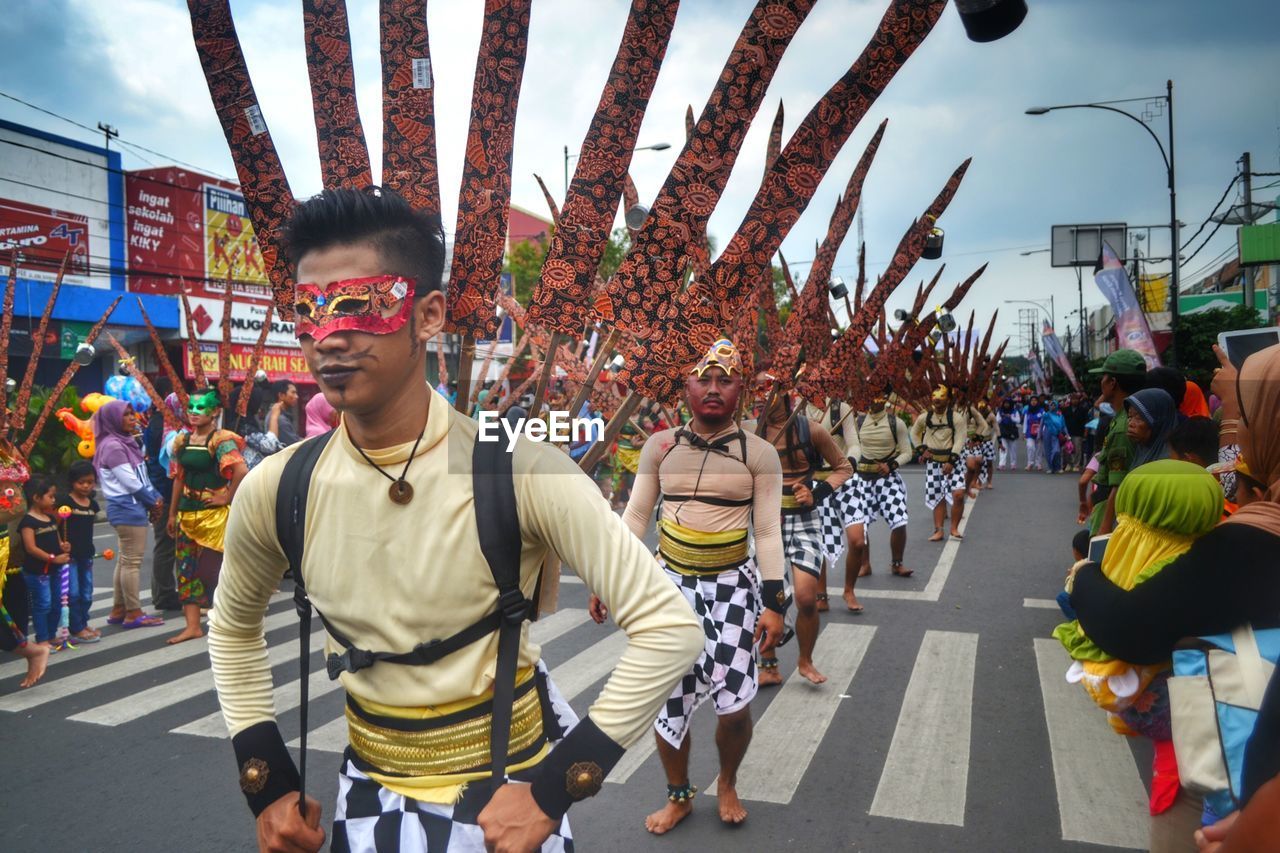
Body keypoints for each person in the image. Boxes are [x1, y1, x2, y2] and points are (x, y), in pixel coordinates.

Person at [209, 187, 702, 852]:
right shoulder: (278, 488)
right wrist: (264, 781)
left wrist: (554, 790)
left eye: (358, 305)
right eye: (308, 311)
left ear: (429, 314)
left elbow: (670, 626)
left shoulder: (523, 471)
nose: (329, 336)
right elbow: (232, 630)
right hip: (366, 801)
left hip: (508, 801)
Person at [1071, 343, 1280, 849]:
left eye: (1249, 416)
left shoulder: (1255, 543)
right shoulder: (1251, 510)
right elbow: (1234, 476)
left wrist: (1084, 574)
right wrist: (1235, 407)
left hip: (1237, 791)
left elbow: (1129, 626)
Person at [601, 337, 786, 833]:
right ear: (684, 385)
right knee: (669, 703)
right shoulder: (660, 446)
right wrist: (604, 574)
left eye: (724, 380)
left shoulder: (761, 454)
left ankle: (726, 780)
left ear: (740, 389)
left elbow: (768, 532)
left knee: (735, 709)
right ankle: (679, 794)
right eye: (702, 378)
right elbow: (636, 513)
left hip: (734, 589)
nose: (712, 389)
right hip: (669, 590)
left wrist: (775, 604)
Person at [755, 392, 852, 685]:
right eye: (757, 391)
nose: (761, 398)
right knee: (766, 598)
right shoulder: (749, 431)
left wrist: (817, 492)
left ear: (784, 395)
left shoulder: (812, 430)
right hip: (765, 521)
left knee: (807, 597)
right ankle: (768, 666)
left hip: (805, 520)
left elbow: (844, 468)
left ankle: (805, 660)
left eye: (768, 391)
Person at [166, 388, 248, 645]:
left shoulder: (221, 440)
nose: (193, 413)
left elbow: (241, 471)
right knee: (186, 571)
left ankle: (232, 621)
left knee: (215, 572)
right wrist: (172, 513)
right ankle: (193, 626)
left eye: (201, 408)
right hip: (186, 515)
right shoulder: (182, 441)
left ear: (215, 412)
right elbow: (178, 478)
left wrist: (226, 497)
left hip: (214, 516)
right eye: (191, 408)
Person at [92, 400, 165, 629]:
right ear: (113, 419)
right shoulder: (114, 446)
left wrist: (154, 496)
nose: (132, 418)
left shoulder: (124, 442)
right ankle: (134, 612)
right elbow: (131, 483)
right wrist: (153, 502)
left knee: (124, 560)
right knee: (132, 562)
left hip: (128, 507)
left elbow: (139, 477)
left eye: (133, 414)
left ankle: (118, 609)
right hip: (127, 507)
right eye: (126, 415)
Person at [843, 387, 915, 613]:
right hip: (861, 479)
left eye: (877, 398)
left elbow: (907, 452)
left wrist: (892, 465)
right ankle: (865, 564)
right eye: (869, 397)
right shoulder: (857, 421)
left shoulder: (897, 424)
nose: (872, 402)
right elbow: (848, 446)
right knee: (860, 526)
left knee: (899, 521)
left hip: (887, 478)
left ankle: (897, 563)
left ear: (885, 400)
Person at [0, 441, 48, 687]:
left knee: (11, 614)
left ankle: (31, 650)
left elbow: (15, 506)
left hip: (8, 550)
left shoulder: (6, 458)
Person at [1087, 349, 1148, 534]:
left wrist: (1104, 528)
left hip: (1112, 513)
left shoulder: (1123, 426)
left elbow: (1118, 482)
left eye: (1104, 377)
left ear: (1112, 383)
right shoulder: (1124, 416)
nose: (1101, 382)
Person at [911, 385, 969, 541]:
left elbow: (960, 440)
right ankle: (938, 530)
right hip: (934, 462)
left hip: (954, 461)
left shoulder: (956, 418)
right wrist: (921, 449)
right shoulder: (925, 417)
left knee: (958, 494)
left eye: (941, 396)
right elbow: (914, 433)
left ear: (948, 400)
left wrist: (951, 461)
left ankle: (954, 528)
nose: (936, 399)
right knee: (938, 496)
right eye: (934, 396)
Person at [144, 381, 182, 611]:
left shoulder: (160, 422)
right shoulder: (164, 427)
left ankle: (164, 591)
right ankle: (164, 594)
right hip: (164, 492)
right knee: (166, 546)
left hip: (161, 490)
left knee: (167, 545)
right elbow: (165, 466)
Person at [18, 476, 69, 649]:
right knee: (43, 604)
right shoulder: (28, 522)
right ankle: (42, 639)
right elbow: (31, 548)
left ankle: (50, 634)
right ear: (36, 497)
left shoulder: (51, 519)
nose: (53, 500)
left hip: (54, 570)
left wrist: (64, 546)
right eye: (50, 496)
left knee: (56, 603)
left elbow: (58, 541)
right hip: (37, 571)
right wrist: (53, 558)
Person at [59, 460, 101, 644]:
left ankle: (83, 623)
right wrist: (61, 545)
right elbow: (55, 526)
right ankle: (76, 627)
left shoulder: (92, 504)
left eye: (89, 482)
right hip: (70, 557)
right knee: (73, 593)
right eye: (81, 482)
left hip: (86, 554)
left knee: (86, 592)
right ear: (72, 482)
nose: (85, 486)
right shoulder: (65, 502)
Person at [1124, 387, 1177, 469]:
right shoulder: (1142, 451)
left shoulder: (1168, 462)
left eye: (1139, 418)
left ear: (1158, 421)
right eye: (1130, 416)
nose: (1130, 423)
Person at [266, 379, 300, 446]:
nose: (296, 396)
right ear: (281, 395)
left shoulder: (276, 415)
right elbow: (295, 444)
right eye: (293, 393)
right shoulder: (280, 419)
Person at [1062, 393, 1091, 472]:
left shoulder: (1083, 409)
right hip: (1068, 432)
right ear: (1070, 400)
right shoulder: (1066, 409)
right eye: (1073, 399)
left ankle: (1076, 464)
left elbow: (1086, 421)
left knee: (1077, 449)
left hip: (1078, 433)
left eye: (1076, 399)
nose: (1075, 401)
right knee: (1067, 449)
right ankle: (1068, 464)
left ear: (1079, 400)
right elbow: (1062, 421)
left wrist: (1085, 432)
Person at [1040, 399, 1068, 475]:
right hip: (1047, 435)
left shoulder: (1060, 415)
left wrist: (1067, 434)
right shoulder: (1046, 415)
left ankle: (1058, 467)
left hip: (1056, 435)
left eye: (1054, 405)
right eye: (1051, 405)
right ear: (1049, 406)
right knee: (1048, 452)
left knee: (1056, 451)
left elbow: (1064, 426)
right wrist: (1039, 435)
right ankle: (1050, 468)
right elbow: (1041, 425)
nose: (1053, 406)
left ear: (1057, 406)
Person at [997, 397, 1021, 469]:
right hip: (1003, 431)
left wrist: (1011, 417)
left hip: (1012, 431)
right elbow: (997, 421)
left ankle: (1013, 464)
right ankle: (1002, 464)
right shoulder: (1000, 411)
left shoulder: (1015, 411)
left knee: (1013, 449)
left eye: (1008, 403)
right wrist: (1003, 417)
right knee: (1003, 448)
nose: (1006, 405)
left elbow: (1018, 420)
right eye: (1005, 403)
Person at [1023, 395, 1045, 471]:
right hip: (1029, 432)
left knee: (1039, 448)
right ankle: (1030, 463)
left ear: (1037, 402)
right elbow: (1025, 422)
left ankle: (1038, 464)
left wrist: (1043, 432)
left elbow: (1044, 422)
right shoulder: (1027, 411)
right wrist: (1024, 432)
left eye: (1035, 400)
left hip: (1039, 433)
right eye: (1032, 400)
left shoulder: (1042, 411)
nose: (1033, 402)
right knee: (1030, 447)